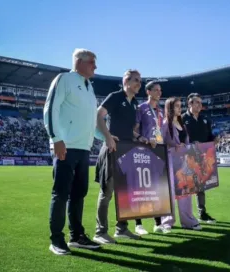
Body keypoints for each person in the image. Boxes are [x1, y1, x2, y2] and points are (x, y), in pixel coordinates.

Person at [43, 48, 103, 255]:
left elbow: (91, 121)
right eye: (92, 62)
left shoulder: (89, 87)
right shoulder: (64, 79)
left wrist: (107, 138)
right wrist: (56, 139)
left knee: (79, 194)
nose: (95, 66)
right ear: (79, 62)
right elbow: (51, 108)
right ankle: (56, 240)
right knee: (61, 193)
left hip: (83, 148)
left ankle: (76, 236)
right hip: (66, 146)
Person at [93, 69, 146, 244]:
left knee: (125, 192)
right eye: (136, 80)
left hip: (127, 151)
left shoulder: (134, 103)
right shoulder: (115, 96)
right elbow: (98, 116)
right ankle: (100, 232)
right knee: (107, 192)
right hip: (112, 150)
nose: (139, 83)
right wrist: (108, 137)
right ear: (126, 82)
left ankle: (121, 229)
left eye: (140, 80)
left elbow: (129, 129)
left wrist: (139, 137)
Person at [161, 97, 202, 231]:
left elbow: (185, 141)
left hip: (184, 162)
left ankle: (188, 221)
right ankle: (167, 222)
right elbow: (160, 141)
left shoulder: (181, 123)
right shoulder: (166, 123)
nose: (180, 108)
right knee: (171, 192)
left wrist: (190, 145)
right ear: (170, 108)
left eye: (180, 106)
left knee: (185, 191)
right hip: (171, 161)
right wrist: (173, 145)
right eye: (177, 106)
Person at [133, 80, 168, 234]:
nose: (159, 93)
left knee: (157, 188)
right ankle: (138, 224)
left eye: (160, 90)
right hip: (142, 151)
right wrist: (144, 140)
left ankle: (158, 223)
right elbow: (133, 130)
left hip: (157, 151)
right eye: (156, 90)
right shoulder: (141, 108)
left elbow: (160, 132)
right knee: (140, 187)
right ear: (148, 92)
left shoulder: (160, 111)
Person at [182, 93, 218, 224]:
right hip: (186, 158)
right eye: (197, 102)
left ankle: (202, 213)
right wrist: (190, 145)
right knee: (185, 187)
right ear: (190, 104)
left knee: (201, 186)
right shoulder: (182, 118)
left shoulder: (205, 119)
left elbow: (209, 138)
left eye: (200, 102)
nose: (200, 105)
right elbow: (179, 140)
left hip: (202, 158)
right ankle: (185, 216)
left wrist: (215, 140)